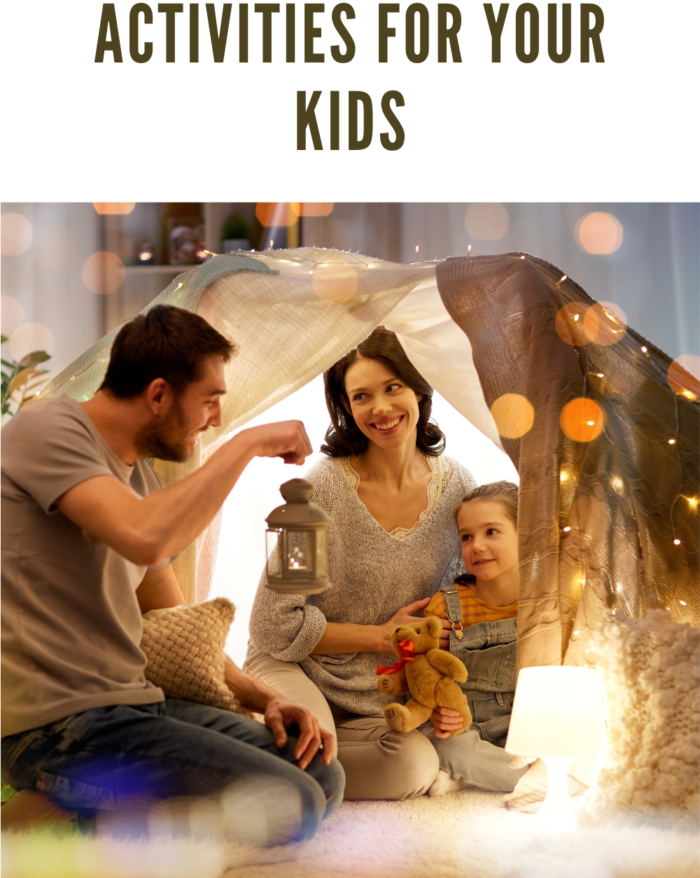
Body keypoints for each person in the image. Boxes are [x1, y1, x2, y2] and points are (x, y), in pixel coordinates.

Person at [1, 306, 344, 845]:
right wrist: (247, 444)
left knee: (319, 774)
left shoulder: (136, 477)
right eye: (209, 401)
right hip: (54, 730)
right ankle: (40, 819)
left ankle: (106, 814)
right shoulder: (47, 426)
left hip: (131, 708)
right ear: (158, 395)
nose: (215, 418)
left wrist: (265, 699)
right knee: (292, 805)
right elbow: (144, 536)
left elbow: (172, 617)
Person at [246, 327, 476, 800]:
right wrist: (380, 637)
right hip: (295, 665)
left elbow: (462, 599)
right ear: (347, 408)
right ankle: (272, 745)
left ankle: (277, 754)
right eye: (361, 396)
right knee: (313, 738)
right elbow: (273, 624)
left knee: (413, 766)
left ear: (419, 389)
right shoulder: (319, 491)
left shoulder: (458, 490)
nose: (381, 408)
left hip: (382, 692)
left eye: (393, 388)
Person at [422, 481, 530, 796]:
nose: (476, 546)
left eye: (491, 532)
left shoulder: (542, 602)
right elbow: (424, 675)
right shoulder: (446, 604)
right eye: (466, 537)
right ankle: (516, 777)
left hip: (522, 717)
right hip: (463, 722)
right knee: (442, 745)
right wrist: (438, 711)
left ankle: (468, 776)